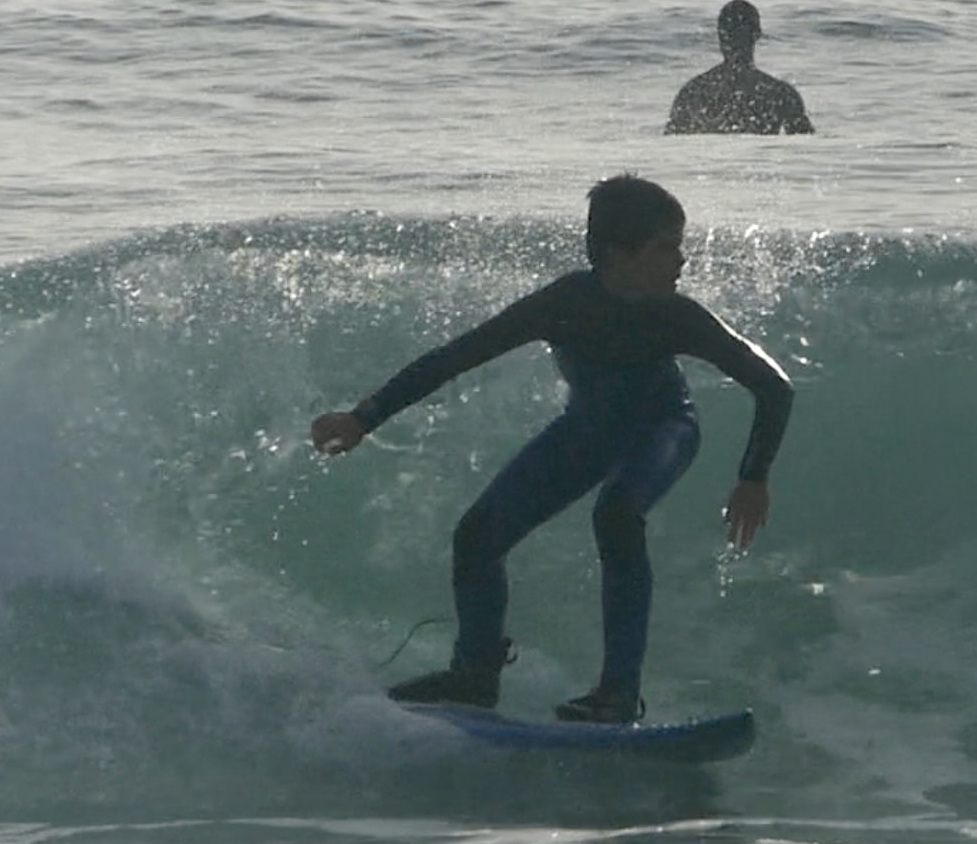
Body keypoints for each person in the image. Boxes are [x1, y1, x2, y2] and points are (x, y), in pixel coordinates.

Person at [309, 176, 796, 724]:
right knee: (476, 537)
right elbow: (455, 358)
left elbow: (774, 386)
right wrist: (361, 418)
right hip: (585, 433)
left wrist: (754, 476)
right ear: (619, 253)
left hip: (663, 429)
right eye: (666, 247)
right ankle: (474, 676)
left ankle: (618, 693)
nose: (682, 261)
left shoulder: (677, 316)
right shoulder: (565, 304)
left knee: (617, 514)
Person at [665, 0, 815, 135]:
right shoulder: (780, 94)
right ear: (757, 34)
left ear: (720, 35)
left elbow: (671, 146)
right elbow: (805, 150)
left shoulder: (693, 91)